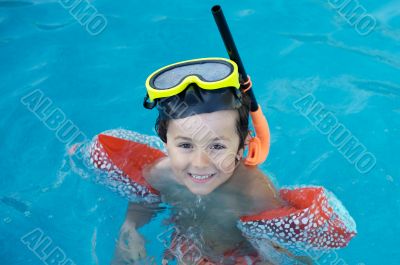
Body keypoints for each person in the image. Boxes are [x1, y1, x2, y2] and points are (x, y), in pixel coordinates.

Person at [72, 58, 356, 265]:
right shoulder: (162, 174)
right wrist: (130, 227)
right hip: (188, 248)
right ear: (165, 142)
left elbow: (274, 246)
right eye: (184, 145)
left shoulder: (251, 190)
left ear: (244, 146)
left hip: (241, 256)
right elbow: (145, 200)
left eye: (217, 145)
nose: (200, 163)